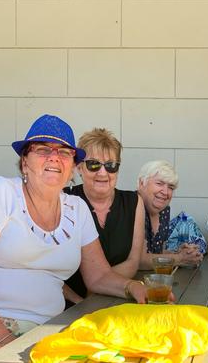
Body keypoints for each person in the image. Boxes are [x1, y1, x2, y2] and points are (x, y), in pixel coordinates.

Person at [0, 115, 148, 363]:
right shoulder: (0, 192)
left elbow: (99, 276)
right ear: (25, 162)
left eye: (64, 152)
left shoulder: (77, 209)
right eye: (43, 149)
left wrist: (131, 287)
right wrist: (4, 345)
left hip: (42, 334)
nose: (54, 157)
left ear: (72, 168)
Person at [63, 128, 145, 303]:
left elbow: (132, 262)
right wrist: (81, 303)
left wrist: (97, 290)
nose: (103, 172)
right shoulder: (64, 201)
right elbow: (48, 272)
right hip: (69, 305)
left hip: (116, 299)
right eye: (93, 164)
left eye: (111, 165)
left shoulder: (133, 202)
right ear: (79, 167)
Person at [137, 160, 204, 268]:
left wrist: (180, 254)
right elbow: (138, 260)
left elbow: (156, 252)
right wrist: (179, 259)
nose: (165, 192)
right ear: (141, 183)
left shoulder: (163, 211)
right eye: (159, 183)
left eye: (171, 187)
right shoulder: (131, 207)